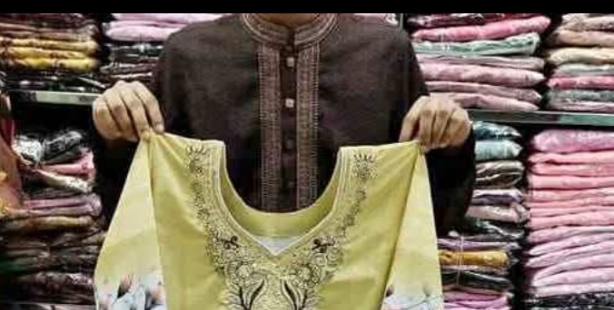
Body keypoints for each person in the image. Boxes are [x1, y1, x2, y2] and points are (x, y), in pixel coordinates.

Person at [93, 13, 475, 232]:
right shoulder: (189, 54)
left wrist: (450, 141)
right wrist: (117, 135)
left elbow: (430, 209)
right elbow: (147, 203)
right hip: (217, 304)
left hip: (356, 305)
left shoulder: (385, 52)